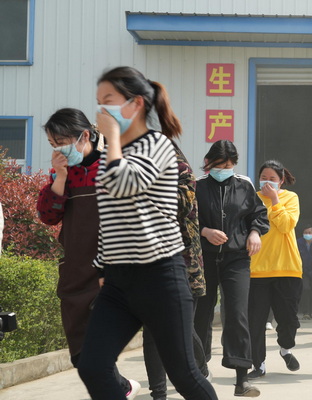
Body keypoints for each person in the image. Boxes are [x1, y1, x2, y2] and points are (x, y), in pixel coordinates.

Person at [76, 66, 217, 400]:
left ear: (136, 103)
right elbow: (110, 216)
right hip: (118, 281)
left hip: (160, 276)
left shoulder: (157, 145)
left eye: (108, 99)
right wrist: (102, 267)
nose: (101, 110)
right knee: (92, 365)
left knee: (184, 374)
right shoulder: (113, 153)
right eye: (98, 101)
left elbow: (124, 183)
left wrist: (110, 141)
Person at [36, 108, 141, 399]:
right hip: (75, 272)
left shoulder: (113, 166)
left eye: (62, 142)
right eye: (52, 144)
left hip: (111, 271)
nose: (58, 150)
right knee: (81, 356)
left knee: (99, 354)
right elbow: (48, 216)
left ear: (84, 136)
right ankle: (123, 388)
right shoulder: (62, 173)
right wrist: (59, 177)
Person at [194, 139, 269, 397]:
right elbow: (185, 219)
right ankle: (200, 369)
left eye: (228, 166)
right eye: (218, 165)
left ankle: (241, 379)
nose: (223, 170)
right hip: (204, 258)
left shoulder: (244, 185)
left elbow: (258, 214)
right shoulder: (197, 186)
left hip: (236, 259)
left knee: (237, 314)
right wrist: (205, 231)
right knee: (201, 314)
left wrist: (255, 232)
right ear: (208, 162)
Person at [142, 139, 209, 400]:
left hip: (183, 265)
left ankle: (200, 373)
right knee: (152, 330)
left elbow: (181, 204)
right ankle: (158, 393)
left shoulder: (183, 175)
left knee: (181, 330)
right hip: (148, 265)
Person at [248, 160, 303, 379]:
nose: (267, 182)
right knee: (256, 322)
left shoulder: (291, 197)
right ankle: (258, 364)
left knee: (288, 319)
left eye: (272, 179)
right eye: (264, 178)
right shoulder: (251, 198)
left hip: (287, 268)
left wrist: (275, 200)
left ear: (281, 181)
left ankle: (285, 349)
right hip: (257, 270)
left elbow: (286, 225)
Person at [297, 225, 312, 320]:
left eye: (309, 233)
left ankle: (311, 310)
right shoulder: (298, 242)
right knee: (306, 289)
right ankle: (306, 312)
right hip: (303, 271)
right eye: (305, 233)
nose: (307, 234)